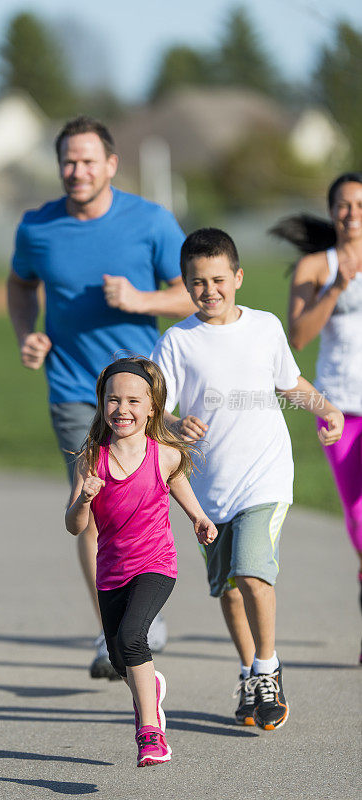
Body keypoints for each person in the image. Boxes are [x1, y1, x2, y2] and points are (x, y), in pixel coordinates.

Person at [7, 115, 196, 679]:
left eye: (89, 161)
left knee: (146, 498)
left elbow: (195, 293)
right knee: (89, 505)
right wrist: (27, 334)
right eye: (68, 160)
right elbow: (20, 285)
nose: (77, 171)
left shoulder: (152, 221)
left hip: (139, 393)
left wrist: (140, 300)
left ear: (111, 165)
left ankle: (143, 604)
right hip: (72, 386)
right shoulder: (36, 228)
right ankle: (111, 630)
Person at [151, 228, 344, 730]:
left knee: (253, 573)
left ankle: (267, 667)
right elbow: (155, 410)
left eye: (218, 279)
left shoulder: (264, 328)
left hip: (265, 477)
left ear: (237, 277)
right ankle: (248, 672)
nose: (209, 290)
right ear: (187, 286)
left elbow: (288, 382)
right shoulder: (177, 341)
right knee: (229, 590)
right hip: (207, 490)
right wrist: (174, 424)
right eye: (197, 282)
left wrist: (324, 407)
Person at [65, 357, 217, 767]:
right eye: (113, 400)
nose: (122, 409)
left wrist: (199, 518)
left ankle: (150, 733)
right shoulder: (91, 459)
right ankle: (151, 686)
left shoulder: (163, 454)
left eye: (134, 400)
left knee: (133, 635)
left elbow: (179, 485)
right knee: (119, 657)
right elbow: (74, 526)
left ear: (152, 408)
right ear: (102, 405)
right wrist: (85, 498)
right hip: (111, 571)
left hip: (155, 564)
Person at [270, 172, 362, 662]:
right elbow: (299, 338)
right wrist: (336, 288)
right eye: (343, 206)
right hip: (340, 408)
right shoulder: (314, 266)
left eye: (360, 205)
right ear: (331, 212)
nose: (352, 214)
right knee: (358, 520)